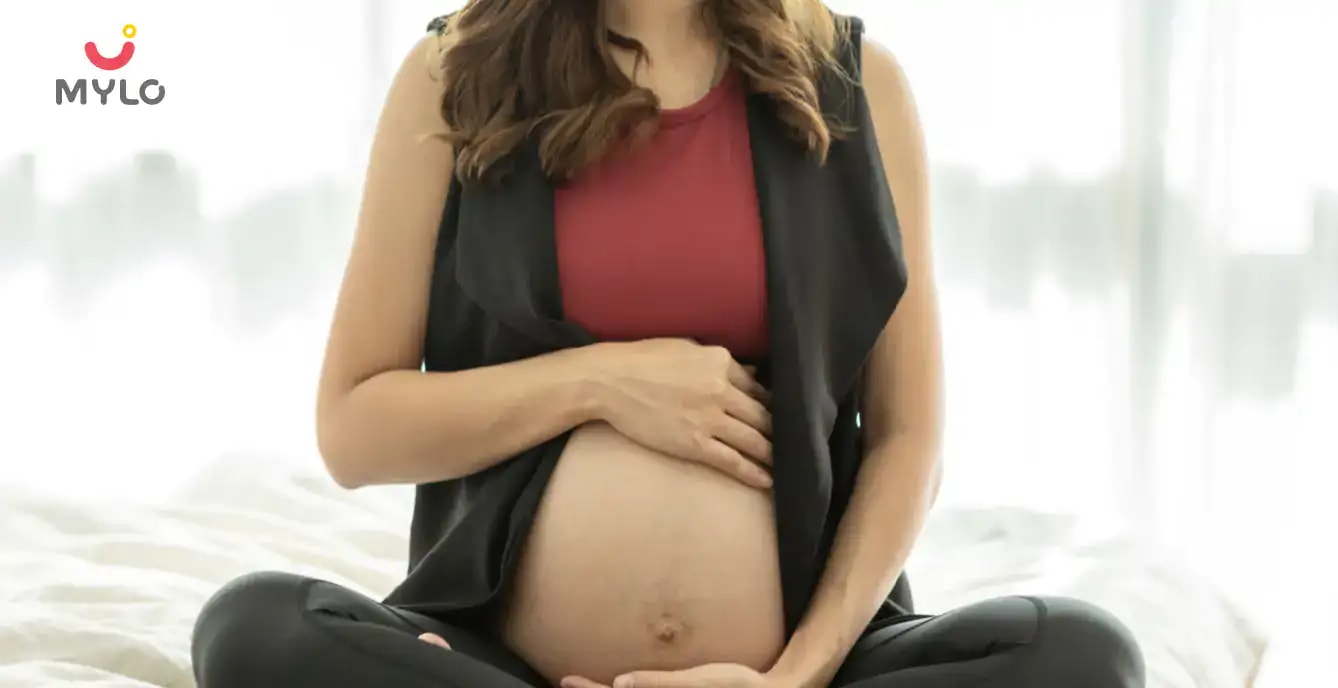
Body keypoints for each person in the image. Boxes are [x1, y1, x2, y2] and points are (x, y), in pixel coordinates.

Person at [190, 2, 1146, 687]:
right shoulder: (454, 76)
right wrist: (603, 382)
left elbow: (907, 439)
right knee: (255, 630)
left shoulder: (857, 85)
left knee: (1081, 656)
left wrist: (793, 680)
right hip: (507, 662)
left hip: (801, 671)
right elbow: (355, 428)